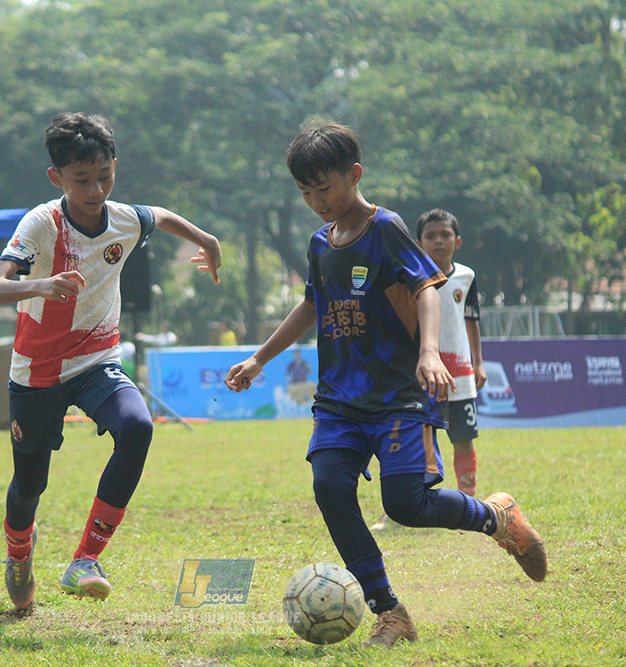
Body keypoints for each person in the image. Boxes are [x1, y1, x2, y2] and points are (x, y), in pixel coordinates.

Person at [223, 122, 546, 648]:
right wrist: (259, 358)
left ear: (354, 175)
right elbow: (311, 304)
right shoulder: (319, 243)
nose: (315, 201)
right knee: (329, 486)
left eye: (322, 188)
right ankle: (389, 611)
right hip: (338, 401)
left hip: (398, 396)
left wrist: (427, 354)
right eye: (305, 192)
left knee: (406, 505)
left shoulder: (387, 227)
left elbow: (425, 288)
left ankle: (497, 518)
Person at [0, 112, 222, 609]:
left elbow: (161, 214)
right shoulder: (41, 224)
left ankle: (85, 560)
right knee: (30, 486)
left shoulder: (124, 220)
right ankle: (19, 554)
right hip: (37, 373)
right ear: (57, 179)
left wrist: (208, 240)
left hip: (97, 361)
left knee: (137, 427)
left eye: (104, 177)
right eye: (81, 180)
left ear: (115, 165)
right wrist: (41, 284)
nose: (95, 190)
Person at [417, 209, 487, 496]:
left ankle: (467, 499)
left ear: (457, 242)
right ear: (419, 243)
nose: (438, 242)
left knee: (463, 439)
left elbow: (471, 320)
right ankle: (410, 502)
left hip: (460, 375)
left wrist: (479, 364)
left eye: (445, 235)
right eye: (430, 236)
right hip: (424, 376)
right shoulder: (412, 277)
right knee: (419, 441)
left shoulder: (466, 277)